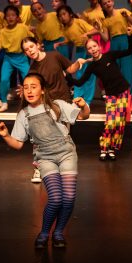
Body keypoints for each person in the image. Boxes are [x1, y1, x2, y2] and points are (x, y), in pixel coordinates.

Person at [0, 72, 90, 248]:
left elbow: (84, 116)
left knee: (68, 198)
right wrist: (6, 135)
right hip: (45, 157)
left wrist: (85, 106)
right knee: (55, 198)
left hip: (66, 153)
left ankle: (59, 232)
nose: (29, 91)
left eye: (34, 86)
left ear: (43, 90)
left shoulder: (57, 106)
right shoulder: (24, 114)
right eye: (26, 87)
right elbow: (17, 144)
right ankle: (44, 232)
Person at [21, 36, 83, 183]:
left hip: (63, 101)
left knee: (63, 137)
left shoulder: (54, 55)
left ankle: (63, 168)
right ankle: (39, 168)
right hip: (46, 105)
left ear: (38, 45)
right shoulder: (33, 70)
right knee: (41, 138)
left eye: (31, 47)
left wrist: (78, 63)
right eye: (26, 50)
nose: (30, 51)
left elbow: (70, 69)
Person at [67, 27, 132, 160]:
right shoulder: (92, 66)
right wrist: (67, 75)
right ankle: (104, 148)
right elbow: (80, 82)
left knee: (119, 123)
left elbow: (129, 51)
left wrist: (129, 36)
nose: (93, 49)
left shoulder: (110, 55)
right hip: (110, 96)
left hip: (122, 92)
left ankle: (112, 148)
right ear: (88, 51)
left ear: (99, 46)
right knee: (110, 123)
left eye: (95, 46)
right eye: (90, 48)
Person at [56, 5, 99, 105]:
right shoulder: (65, 29)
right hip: (79, 50)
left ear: (70, 14)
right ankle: (77, 98)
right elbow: (70, 40)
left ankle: (87, 100)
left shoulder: (79, 22)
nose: (62, 17)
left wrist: (87, 34)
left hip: (88, 50)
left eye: (64, 14)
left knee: (90, 76)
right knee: (79, 75)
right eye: (60, 16)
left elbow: (95, 30)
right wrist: (61, 43)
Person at [0, 5, 34, 112]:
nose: (10, 17)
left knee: (29, 79)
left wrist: (32, 49)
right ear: (5, 18)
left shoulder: (23, 27)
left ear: (17, 17)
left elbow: (32, 38)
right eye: (8, 16)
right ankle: (4, 103)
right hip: (8, 58)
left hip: (21, 57)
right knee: (4, 79)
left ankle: (31, 102)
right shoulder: (2, 32)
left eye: (13, 15)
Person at [99, 0, 132, 88]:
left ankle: (128, 92)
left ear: (113, 1)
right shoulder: (105, 21)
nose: (107, 4)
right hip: (114, 43)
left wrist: (127, 16)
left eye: (108, 1)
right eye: (104, 3)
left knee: (127, 67)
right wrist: (99, 30)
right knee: (117, 68)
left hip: (125, 40)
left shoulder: (122, 11)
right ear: (102, 7)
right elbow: (106, 38)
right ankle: (119, 91)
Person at [82, 0, 109, 99]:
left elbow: (109, 23)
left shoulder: (104, 9)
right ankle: (98, 91)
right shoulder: (86, 12)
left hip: (104, 38)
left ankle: (107, 88)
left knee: (106, 65)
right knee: (95, 65)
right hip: (94, 40)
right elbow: (84, 28)